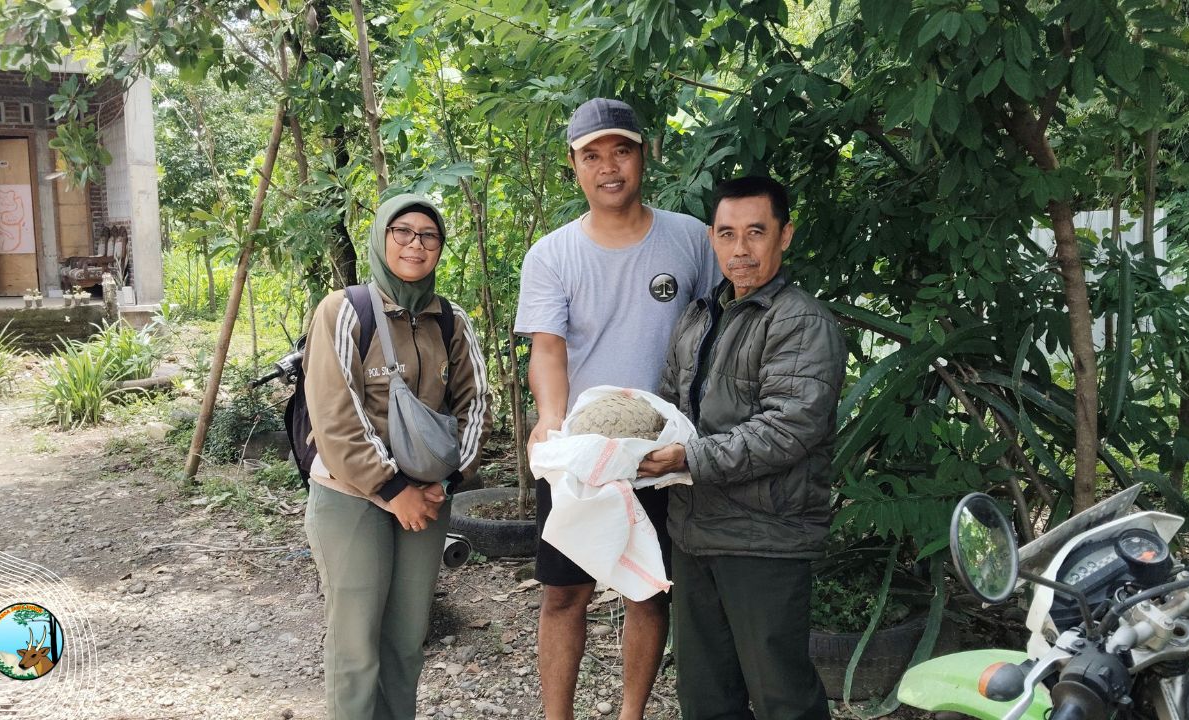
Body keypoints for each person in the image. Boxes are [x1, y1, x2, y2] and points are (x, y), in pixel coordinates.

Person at [515, 98, 722, 720]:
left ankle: (631, 713)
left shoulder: (690, 238)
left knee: (649, 592)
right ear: (574, 166)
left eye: (622, 151)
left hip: (663, 446)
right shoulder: (552, 254)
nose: (610, 167)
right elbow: (547, 350)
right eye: (593, 155)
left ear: (644, 154)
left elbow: (719, 332)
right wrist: (552, 418)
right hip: (586, 449)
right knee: (564, 593)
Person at [638, 176, 846, 720]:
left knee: (782, 695)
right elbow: (668, 406)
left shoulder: (801, 321)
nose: (741, 249)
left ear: (785, 235)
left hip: (765, 537)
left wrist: (689, 458)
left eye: (756, 232)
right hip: (694, 530)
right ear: (712, 238)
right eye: (727, 234)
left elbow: (788, 429)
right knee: (706, 696)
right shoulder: (699, 314)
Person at [302, 194, 491, 720]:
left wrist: (447, 482)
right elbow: (336, 415)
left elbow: (476, 404)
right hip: (352, 497)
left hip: (428, 500)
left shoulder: (450, 320)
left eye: (428, 236)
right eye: (402, 232)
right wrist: (393, 492)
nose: (415, 244)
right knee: (356, 643)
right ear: (382, 239)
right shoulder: (344, 311)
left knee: (406, 639)